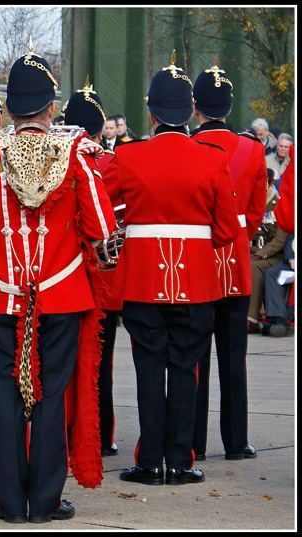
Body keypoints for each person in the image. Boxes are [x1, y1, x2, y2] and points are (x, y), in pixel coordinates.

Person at [0, 44, 115, 523]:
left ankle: (8, 499)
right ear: (51, 108)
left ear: (9, 111)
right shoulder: (76, 152)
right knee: (51, 395)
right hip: (61, 293)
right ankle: (44, 500)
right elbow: (102, 226)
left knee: (2, 395)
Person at [105, 50, 240, 486]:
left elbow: (104, 212)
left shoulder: (128, 158)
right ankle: (180, 461)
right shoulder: (213, 160)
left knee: (148, 368)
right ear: (191, 112)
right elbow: (224, 232)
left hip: (143, 280)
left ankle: (149, 460)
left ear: (151, 112)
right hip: (196, 282)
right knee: (185, 368)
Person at [190, 58, 266, 462]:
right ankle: (236, 441)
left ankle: (194, 443)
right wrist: (238, 236)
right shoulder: (252, 151)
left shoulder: (190, 147)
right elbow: (255, 214)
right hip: (234, 257)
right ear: (229, 108)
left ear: (195, 108)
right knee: (233, 359)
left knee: (196, 358)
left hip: (198, 260)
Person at [63, 76, 120, 457]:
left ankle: (65, 430)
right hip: (101, 273)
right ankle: (99, 433)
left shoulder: (57, 157)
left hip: (61, 271)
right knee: (101, 361)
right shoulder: (110, 162)